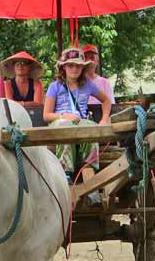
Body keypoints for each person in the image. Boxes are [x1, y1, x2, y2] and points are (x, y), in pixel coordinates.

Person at [43, 47, 112, 178]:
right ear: (64, 67)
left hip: (80, 121)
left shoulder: (88, 84)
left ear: (83, 68)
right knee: (65, 128)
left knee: (92, 127)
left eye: (78, 66)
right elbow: (46, 115)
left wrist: (103, 120)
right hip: (60, 122)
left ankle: (88, 167)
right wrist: (64, 116)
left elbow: (106, 100)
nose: (74, 69)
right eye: (70, 65)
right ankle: (65, 171)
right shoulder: (55, 86)